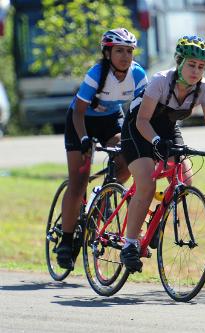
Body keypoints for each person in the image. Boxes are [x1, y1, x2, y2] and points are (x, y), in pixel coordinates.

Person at [120, 35, 205, 273]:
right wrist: (155, 141)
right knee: (146, 183)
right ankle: (130, 244)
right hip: (138, 129)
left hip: (167, 129)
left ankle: (155, 221)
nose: (196, 71)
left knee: (185, 180)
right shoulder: (161, 81)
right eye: (191, 64)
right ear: (179, 61)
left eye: (201, 66)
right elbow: (143, 120)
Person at [56, 28, 148, 270]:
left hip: (111, 120)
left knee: (126, 158)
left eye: (129, 51)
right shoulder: (97, 73)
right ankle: (66, 240)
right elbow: (78, 111)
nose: (125, 56)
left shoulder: (138, 74)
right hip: (81, 121)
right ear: (108, 53)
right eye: (119, 51)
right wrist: (85, 138)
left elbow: (141, 111)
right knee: (78, 181)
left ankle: (103, 193)